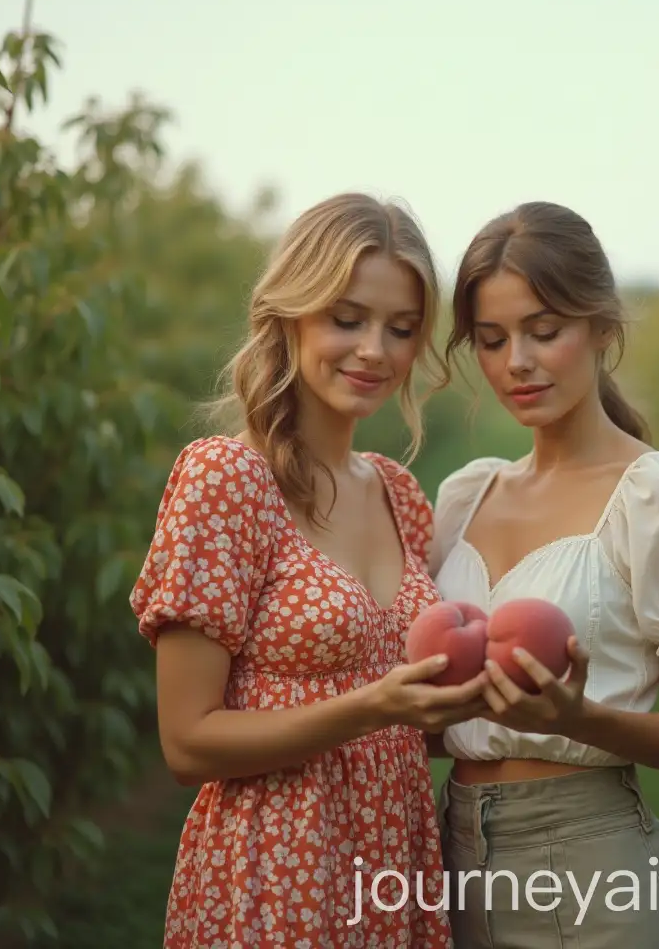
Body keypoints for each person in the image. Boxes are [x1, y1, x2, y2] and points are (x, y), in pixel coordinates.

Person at [129, 192, 490, 949]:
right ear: (291, 314)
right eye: (347, 318)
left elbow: (401, 722)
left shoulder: (399, 494)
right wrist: (373, 707)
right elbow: (186, 743)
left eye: (400, 329)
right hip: (277, 869)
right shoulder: (228, 479)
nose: (374, 351)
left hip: (393, 868)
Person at [427, 201, 659, 948]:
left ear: (603, 325)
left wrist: (576, 720)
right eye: (492, 339)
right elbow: (460, 726)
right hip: (450, 867)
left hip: (593, 874)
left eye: (545, 331)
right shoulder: (465, 497)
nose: (518, 363)